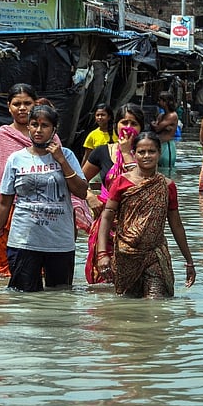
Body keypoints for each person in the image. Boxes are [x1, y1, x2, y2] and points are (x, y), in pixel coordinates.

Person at [0, 84, 90, 278]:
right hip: (17, 225)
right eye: (17, 103)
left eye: (27, 103)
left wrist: (61, 160)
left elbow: (76, 190)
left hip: (57, 233)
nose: (22, 108)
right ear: (8, 106)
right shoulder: (2, 142)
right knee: (14, 284)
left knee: (58, 293)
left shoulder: (60, 149)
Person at [95, 131, 196, 298]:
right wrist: (102, 254)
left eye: (152, 151)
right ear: (134, 154)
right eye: (141, 152)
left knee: (155, 303)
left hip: (155, 253)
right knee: (128, 304)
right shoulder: (121, 182)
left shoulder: (167, 186)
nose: (146, 156)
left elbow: (176, 224)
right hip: (126, 253)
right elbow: (106, 217)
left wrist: (189, 261)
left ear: (159, 153)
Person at [82, 103, 145, 284]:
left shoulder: (146, 155)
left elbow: (140, 185)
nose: (128, 128)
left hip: (134, 225)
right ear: (116, 124)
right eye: (124, 122)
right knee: (103, 281)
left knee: (131, 281)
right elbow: (79, 181)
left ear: (141, 128)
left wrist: (127, 153)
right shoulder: (102, 152)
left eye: (134, 123)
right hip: (105, 225)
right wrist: (90, 196)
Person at [150, 91, 179, 170]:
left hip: (167, 146)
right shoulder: (161, 115)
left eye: (160, 100)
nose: (158, 102)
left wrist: (155, 124)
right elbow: (155, 127)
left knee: (167, 171)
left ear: (165, 102)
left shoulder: (172, 115)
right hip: (159, 145)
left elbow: (157, 128)